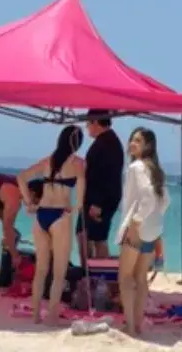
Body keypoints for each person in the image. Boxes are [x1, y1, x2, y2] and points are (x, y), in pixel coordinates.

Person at [17, 125, 86, 325]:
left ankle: (36, 314)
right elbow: (80, 194)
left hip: (41, 215)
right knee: (59, 271)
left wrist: (29, 202)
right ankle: (53, 315)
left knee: (41, 269)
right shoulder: (78, 163)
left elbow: (21, 177)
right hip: (60, 216)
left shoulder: (48, 161)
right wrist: (76, 207)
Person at [114, 128, 170, 337]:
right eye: (132, 139)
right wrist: (154, 217)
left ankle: (129, 325)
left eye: (138, 141)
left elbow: (147, 197)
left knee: (125, 277)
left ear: (148, 146)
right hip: (153, 229)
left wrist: (136, 221)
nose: (132, 143)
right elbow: (165, 200)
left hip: (138, 227)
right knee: (141, 278)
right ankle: (137, 323)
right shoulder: (155, 169)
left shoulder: (136, 167)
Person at [79, 110, 124, 260]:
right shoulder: (106, 141)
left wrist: (98, 203)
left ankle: (99, 275)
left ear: (96, 122)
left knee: (96, 238)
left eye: (88, 124)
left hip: (99, 200)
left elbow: (106, 175)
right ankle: (92, 273)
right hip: (97, 199)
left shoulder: (107, 143)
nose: (87, 128)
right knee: (86, 234)